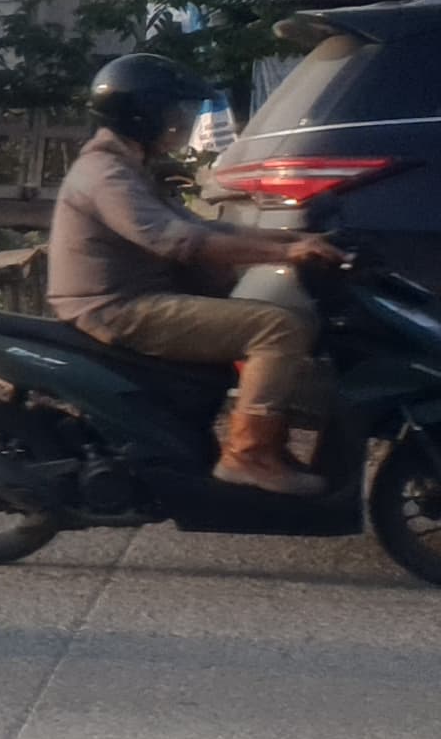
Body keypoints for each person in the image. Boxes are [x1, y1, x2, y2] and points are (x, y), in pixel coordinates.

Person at [52, 51, 342, 496]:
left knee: (266, 313)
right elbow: (179, 241)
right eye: (172, 112)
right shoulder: (107, 175)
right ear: (142, 115)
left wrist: (296, 240)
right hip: (118, 309)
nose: (180, 123)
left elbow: (209, 229)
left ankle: (260, 444)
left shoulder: (127, 167)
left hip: (131, 300)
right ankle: (249, 457)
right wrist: (284, 253)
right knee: (278, 327)